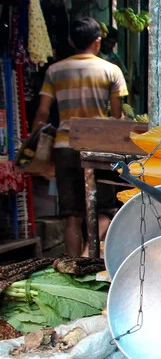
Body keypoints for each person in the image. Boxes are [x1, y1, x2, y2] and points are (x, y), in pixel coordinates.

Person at [33, 17, 128, 257]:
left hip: (64, 146)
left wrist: (34, 147)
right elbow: (116, 116)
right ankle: (88, 255)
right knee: (104, 210)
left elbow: (43, 113)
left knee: (71, 215)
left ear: (71, 42)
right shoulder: (111, 70)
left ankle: (74, 265)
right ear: (97, 42)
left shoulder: (55, 70)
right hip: (97, 149)